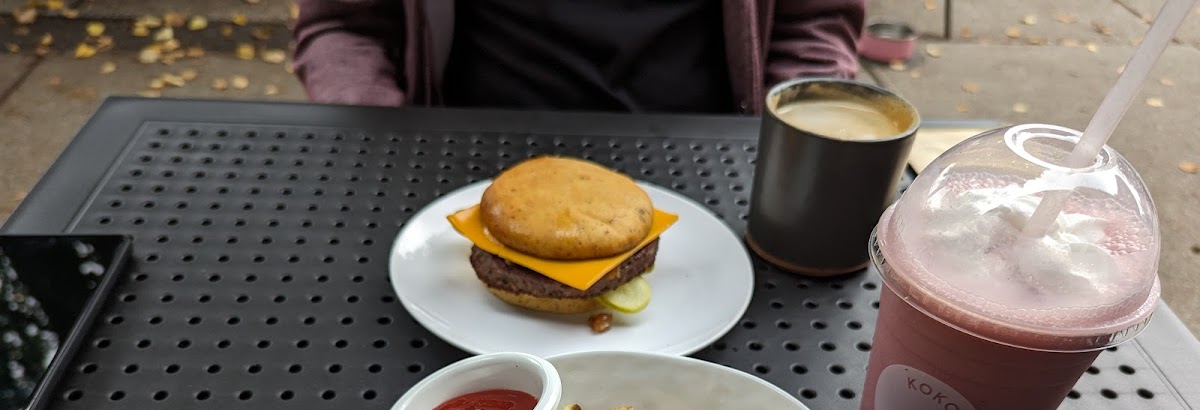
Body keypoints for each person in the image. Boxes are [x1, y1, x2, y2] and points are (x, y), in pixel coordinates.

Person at [292, 1, 866, 115]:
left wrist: (791, 141)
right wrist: (382, 134)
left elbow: (812, 23)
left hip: (714, 170)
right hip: (453, 167)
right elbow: (343, 25)